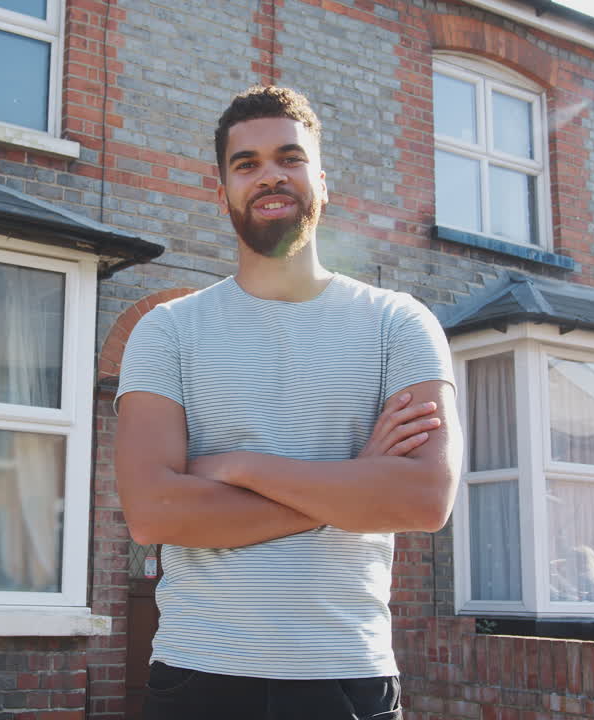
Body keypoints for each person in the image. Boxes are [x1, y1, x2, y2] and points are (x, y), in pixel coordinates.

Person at [114, 86, 463, 720]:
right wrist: (356, 483)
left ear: (321, 181)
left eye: (289, 157)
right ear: (220, 190)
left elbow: (423, 499)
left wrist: (237, 467)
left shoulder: (398, 324)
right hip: (199, 673)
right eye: (245, 163)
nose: (270, 174)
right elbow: (153, 512)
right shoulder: (167, 330)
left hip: (346, 675)